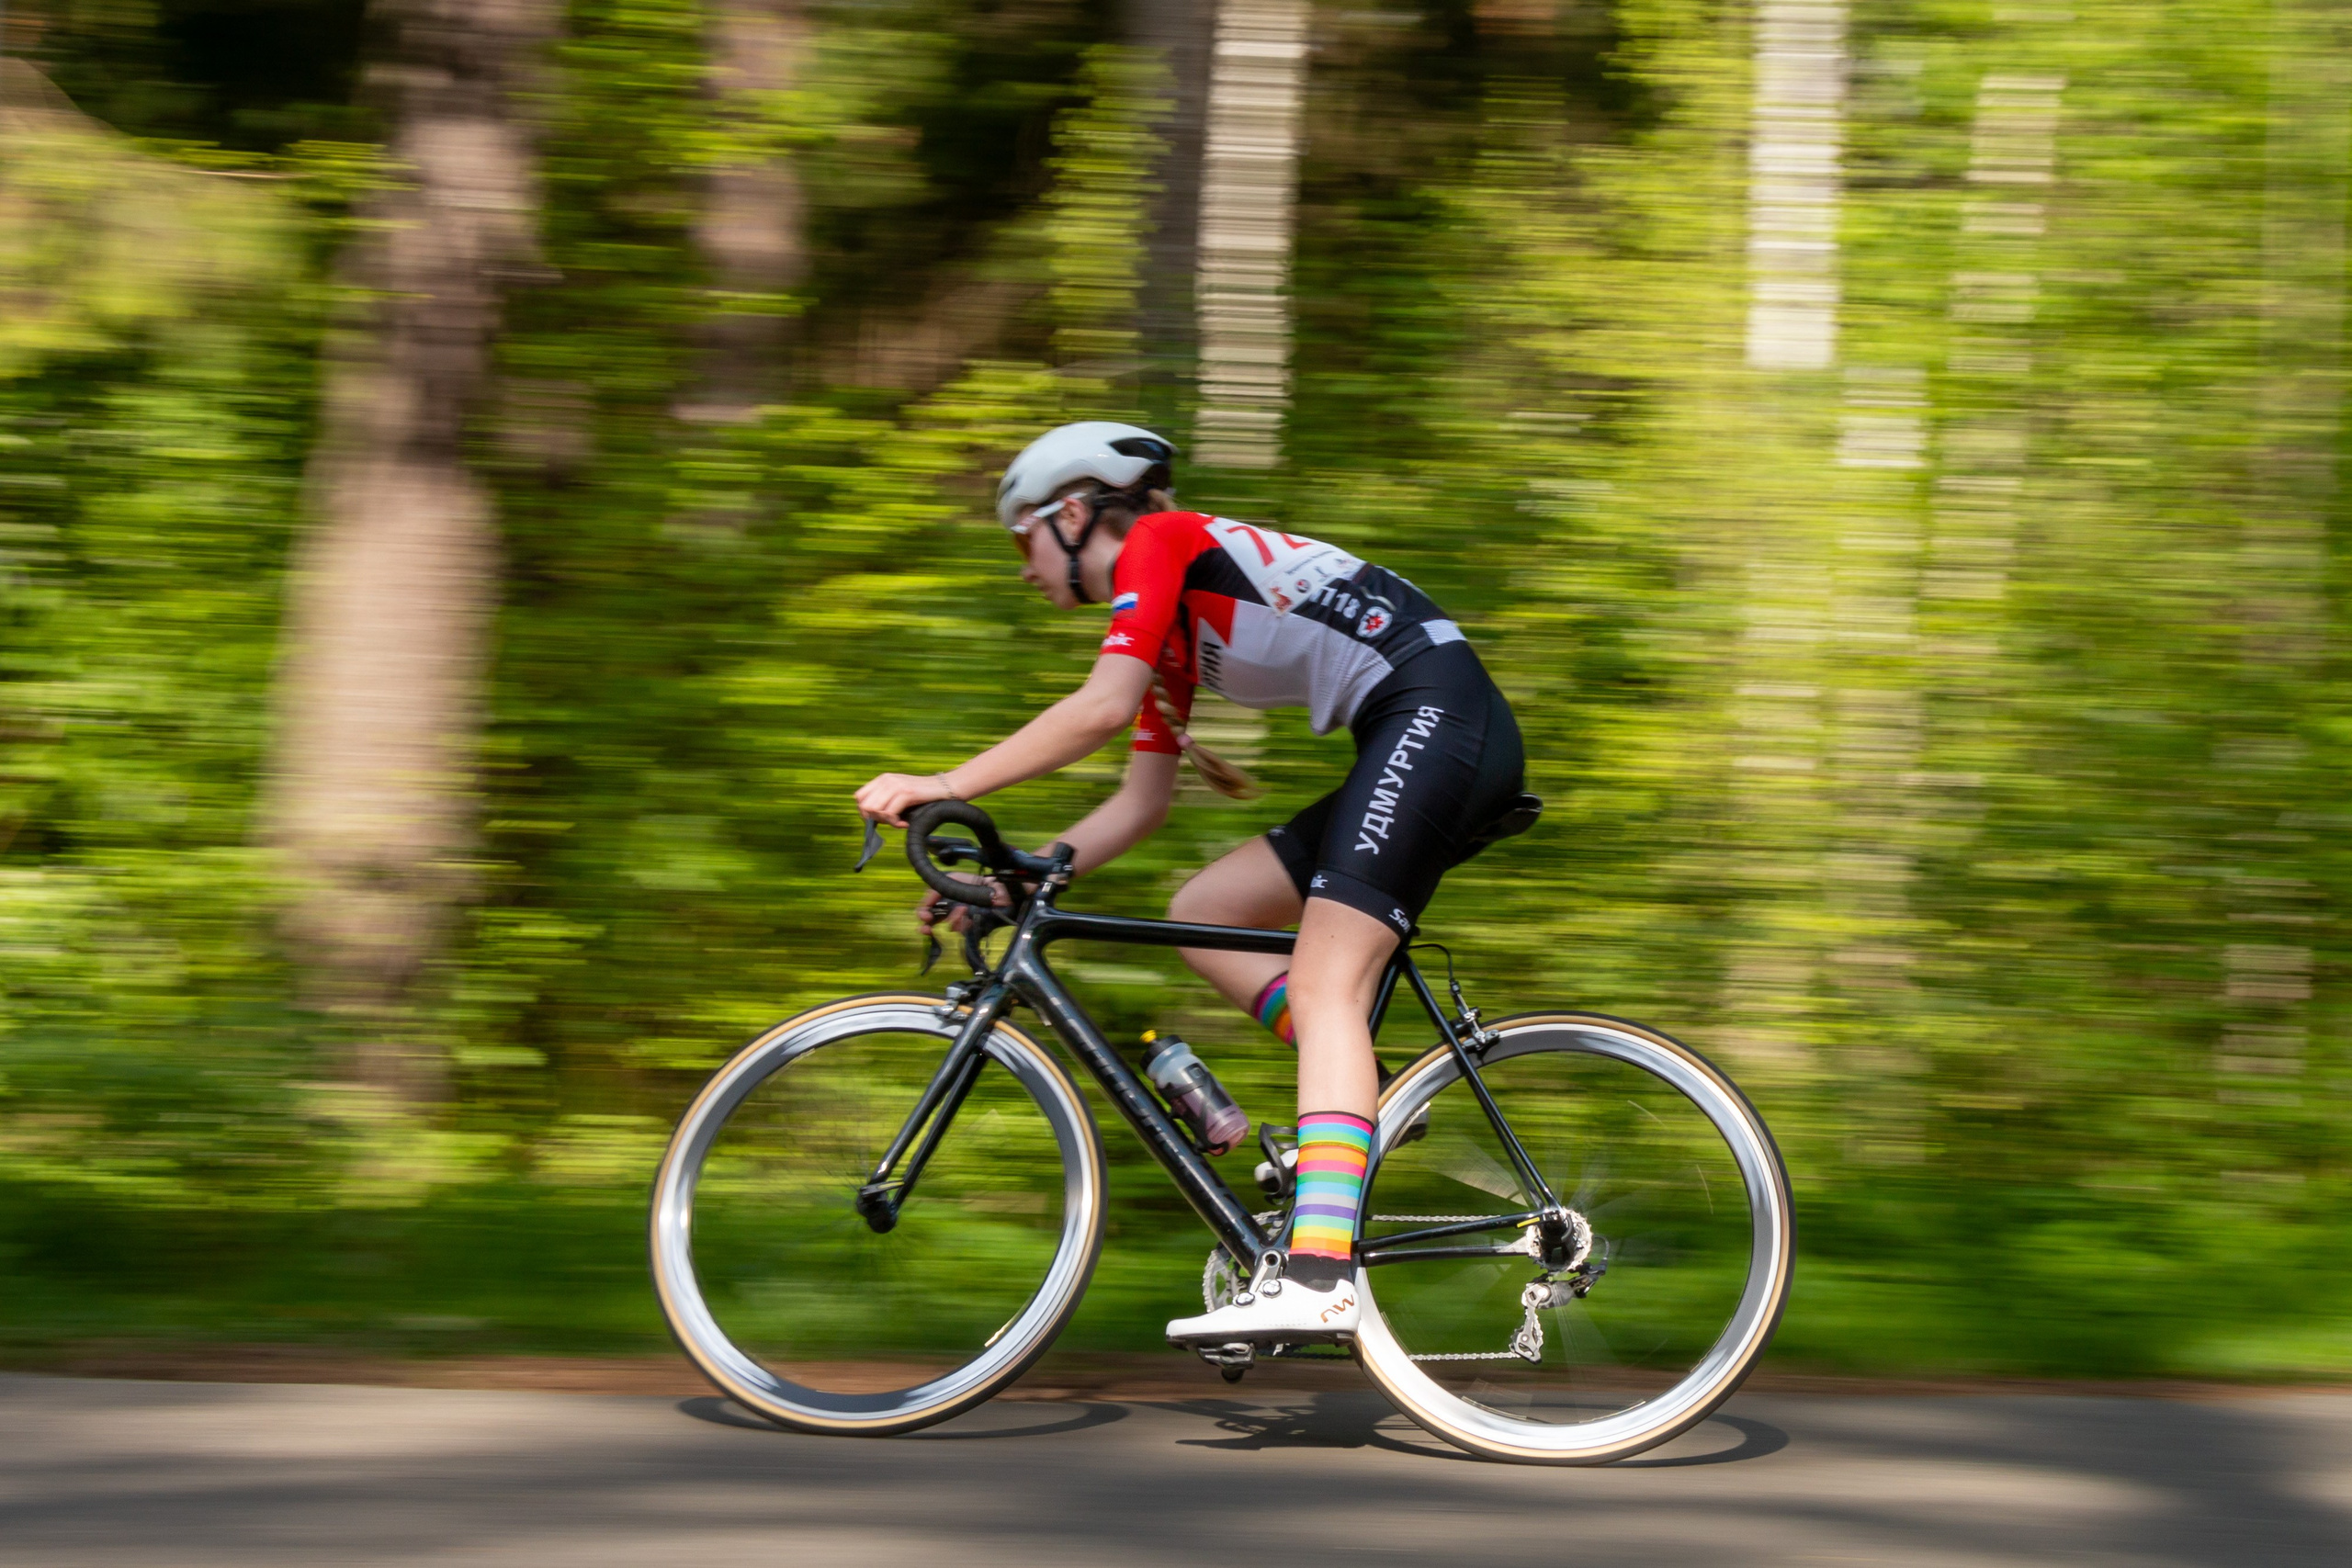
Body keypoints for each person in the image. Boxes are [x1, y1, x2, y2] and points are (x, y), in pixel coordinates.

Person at [854, 422, 1529, 1345]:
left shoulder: (1160, 543)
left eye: (1022, 541)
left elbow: (1097, 708)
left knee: (1331, 981)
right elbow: (1138, 807)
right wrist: (1018, 879)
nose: (1021, 569)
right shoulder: (1168, 623)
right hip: (1423, 726)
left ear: (1076, 512)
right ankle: (1353, 1094)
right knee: (1202, 912)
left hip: (1437, 717)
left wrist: (942, 784)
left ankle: (1319, 1272)